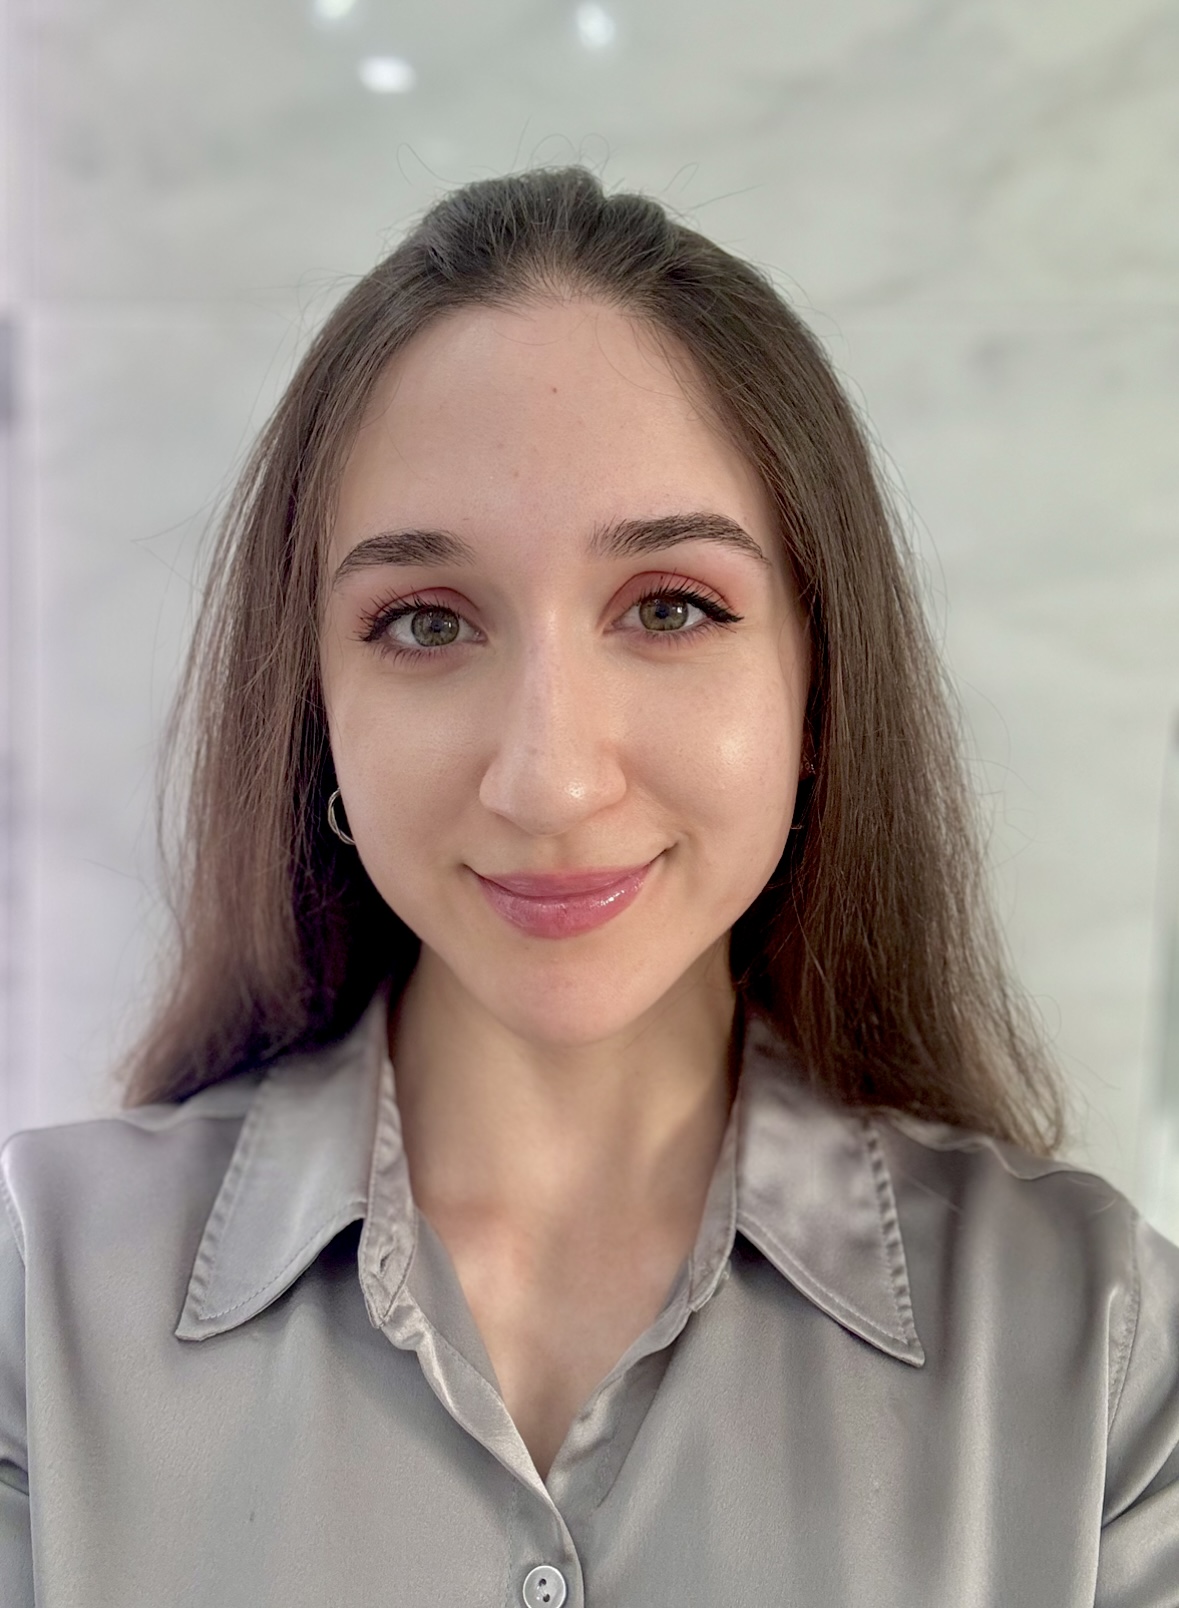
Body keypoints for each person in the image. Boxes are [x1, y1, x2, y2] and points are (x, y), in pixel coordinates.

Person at [1, 165, 1176, 1606]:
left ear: (818, 691)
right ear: (315, 705)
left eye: (672, 607)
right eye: (425, 621)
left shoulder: (1100, 1353)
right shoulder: (31, 1311)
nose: (548, 781)